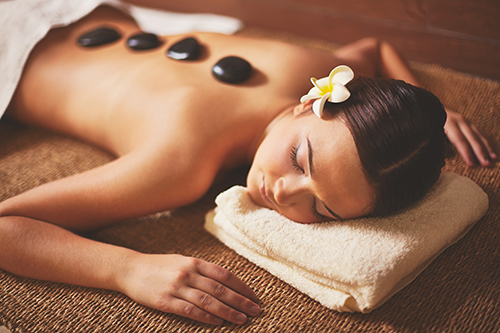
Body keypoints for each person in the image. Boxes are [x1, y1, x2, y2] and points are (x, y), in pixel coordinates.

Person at [0, 5, 496, 326]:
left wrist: (427, 112)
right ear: (310, 103)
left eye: (320, 209)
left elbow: (373, 52)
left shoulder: (310, 74)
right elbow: (8, 226)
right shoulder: (183, 162)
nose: (285, 192)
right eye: (301, 158)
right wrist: (127, 269)